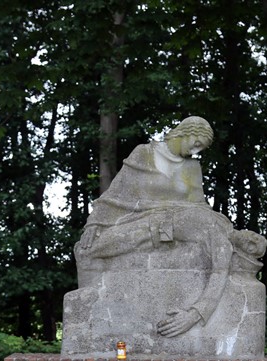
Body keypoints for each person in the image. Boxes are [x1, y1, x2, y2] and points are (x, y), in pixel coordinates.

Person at [74, 117, 253, 338]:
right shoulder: (144, 153)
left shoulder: (193, 169)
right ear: (185, 132)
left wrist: (195, 314)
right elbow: (115, 194)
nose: (195, 151)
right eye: (196, 143)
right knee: (88, 250)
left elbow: (199, 206)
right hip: (137, 219)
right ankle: (89, 321)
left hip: (166, 226)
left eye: (201, 149)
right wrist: (95, 222)